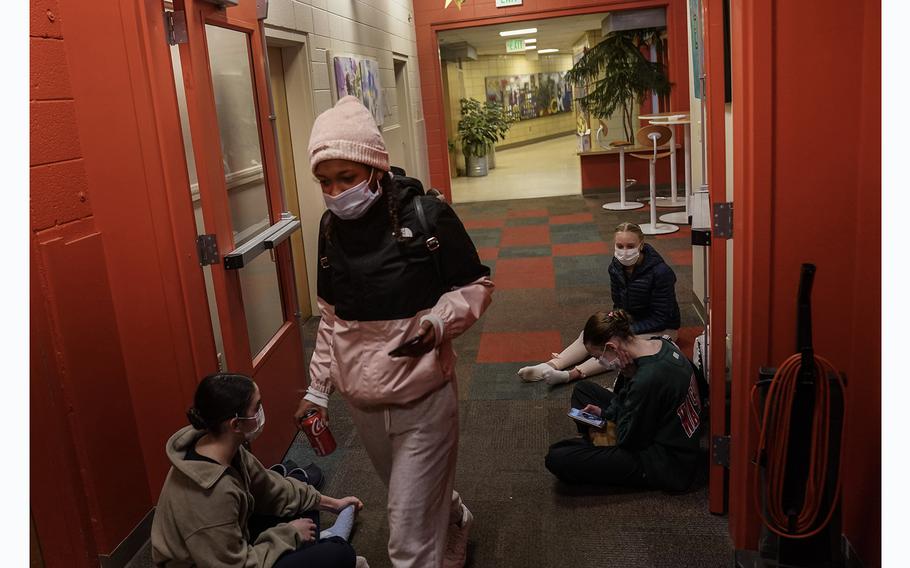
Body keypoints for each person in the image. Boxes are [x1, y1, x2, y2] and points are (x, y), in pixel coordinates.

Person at [293, 96, 494, 568]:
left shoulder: (426, 216)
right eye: (325, 182)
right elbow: (331, 317)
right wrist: (318, 390)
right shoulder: (329, 229)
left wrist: (438, 322)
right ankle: (455, 519)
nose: (337, 192)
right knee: (414, 497)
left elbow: (476, 286)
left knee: (405, 534)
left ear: (375, 168)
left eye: (347, 178)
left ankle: (437, 536)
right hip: (362, 398)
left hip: (423, 396)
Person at [151, 373, 368, 568]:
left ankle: (319, 543)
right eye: (257, 407)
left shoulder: (226, 448)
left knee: (304, 508)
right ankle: (327, 544)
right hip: (220, 562)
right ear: (236, 424)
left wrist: (334, 505)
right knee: (339, 554)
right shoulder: (210, 496)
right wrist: (289, 534)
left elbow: (272, 488)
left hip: (231, 542)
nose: (262, 412)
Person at [544, 310, 704, 492]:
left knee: (558, 457)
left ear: (611, 347)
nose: (600, 361)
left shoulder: (646, 379)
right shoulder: (660, 343)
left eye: (598, 357)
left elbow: (628, 439)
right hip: (659, 424)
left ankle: (597, 443)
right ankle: (597, 440)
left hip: (665, 463)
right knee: (583, 390)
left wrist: (628, 378)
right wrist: (607, 411)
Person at [518, 221, 681, 384]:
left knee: (617, 343)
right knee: (590, 334)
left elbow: (662, 317)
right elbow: (618, 303)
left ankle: (572, 374)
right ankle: (550, 365)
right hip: (630, 321)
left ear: (641, 245)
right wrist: (613, 322)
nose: (624, 251)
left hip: (663, 328)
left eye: (630, 246)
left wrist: (625, 329)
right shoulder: (616, 267)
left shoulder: (661, 272)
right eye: (620, 246)